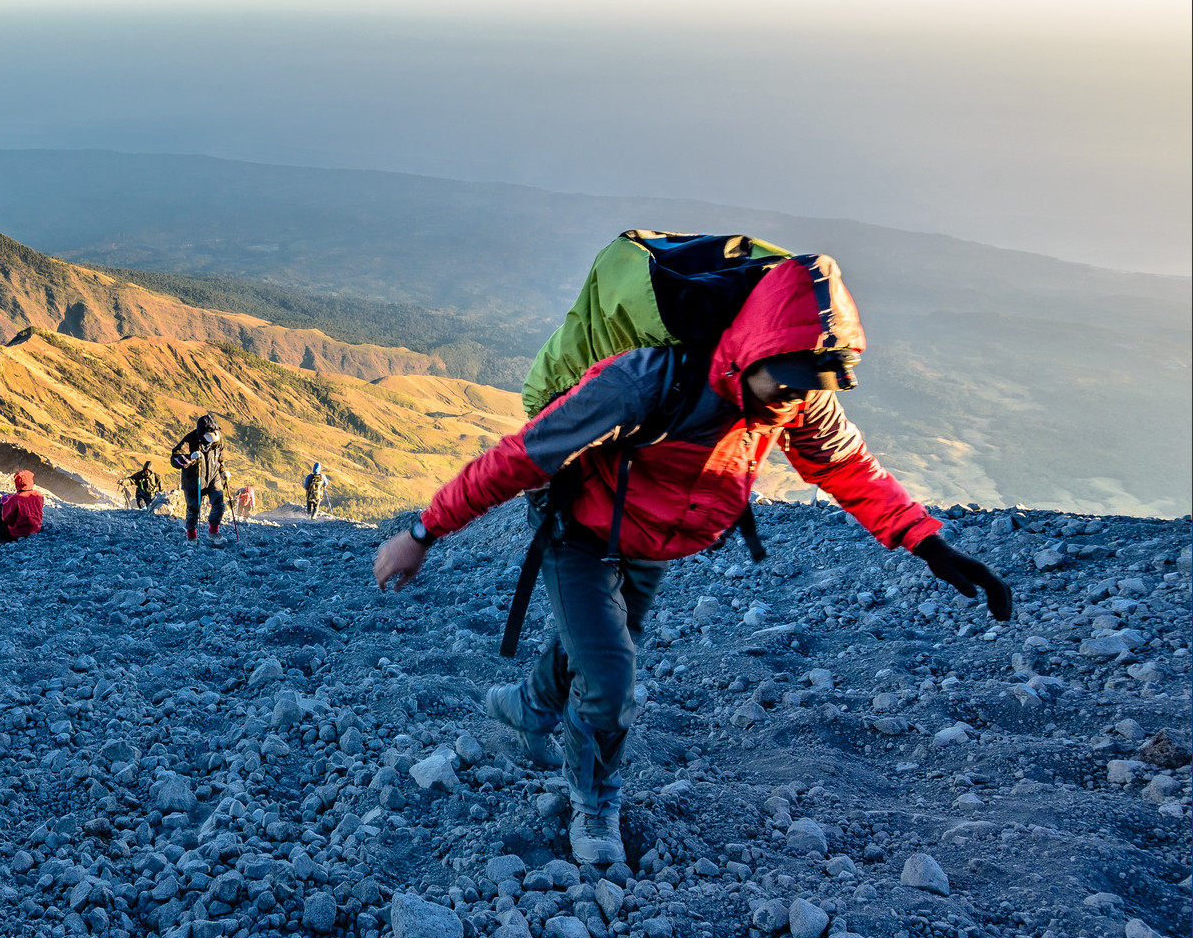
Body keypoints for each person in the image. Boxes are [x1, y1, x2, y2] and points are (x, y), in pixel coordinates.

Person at [372, 257, 1011, 866]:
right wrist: (423, 533)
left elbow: (845, 465)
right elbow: (520, 457)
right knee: (611, 680)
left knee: (596, 646)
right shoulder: (647, 380)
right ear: (753, 351)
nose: (794, 402)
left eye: (810, 388)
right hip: (579, 532)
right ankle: (593, 805)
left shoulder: (793, 392)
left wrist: (928, 542)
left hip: (653, 541)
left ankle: (530, 706)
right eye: (787, 384)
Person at [170, 413, 229, 540]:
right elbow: (174, 459)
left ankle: (213, 532)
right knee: (193, 509)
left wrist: (223, 471)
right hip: (193, 479)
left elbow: (220, 456)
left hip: (213, 476)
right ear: (201, 434)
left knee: (219, 503)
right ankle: (191, 536)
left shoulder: (218, 438)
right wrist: (189, 458)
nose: (212, 441)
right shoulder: (189, 440)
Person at [0, 470, 46, 542]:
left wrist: (6, 505)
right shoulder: (39, 495)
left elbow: (6, 519)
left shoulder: (16, 499)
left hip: (18, 533)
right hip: (35, 529)